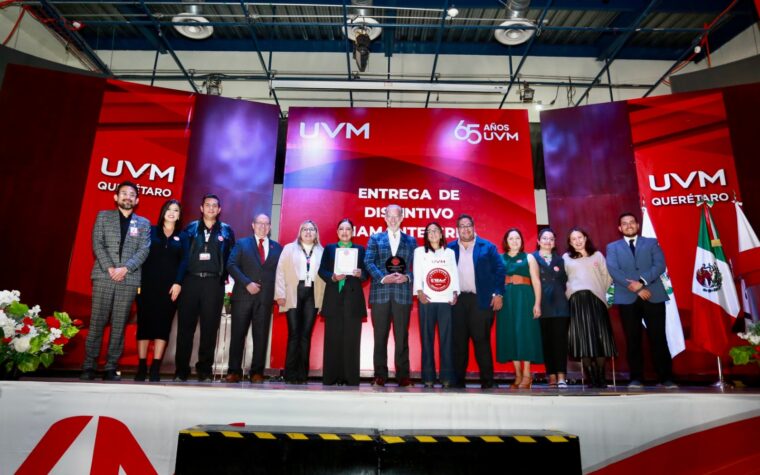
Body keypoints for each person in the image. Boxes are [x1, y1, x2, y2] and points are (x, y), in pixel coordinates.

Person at [80, 181, 150, 381]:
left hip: (128, 279)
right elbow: (97, 243)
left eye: (132, 194)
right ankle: (89, 365)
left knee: (119, 325)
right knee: (97, 322)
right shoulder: (103, 216)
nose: (128, 197)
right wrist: (110, 268)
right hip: (104, 276)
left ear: (137, 200)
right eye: (124, 193)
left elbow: (144, 250)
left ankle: (111, 367)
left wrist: (125, 268)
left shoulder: (143, 223)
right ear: (116, 197)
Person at [606, 213, 676, 389]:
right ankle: (636, 378)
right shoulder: (612, 247)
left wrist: (642, 282)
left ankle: (665, 378)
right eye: (624, 223)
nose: (628, 225)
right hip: (627, 297)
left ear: (637, 225)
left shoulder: (651, 243)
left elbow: (659, 265)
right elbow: (613, 270)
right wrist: (636, 288)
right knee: (633, 339)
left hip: (653, 295)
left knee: (658, 337)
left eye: (631, 222)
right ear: (619, 228)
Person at [174, 193, 235, 382]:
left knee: (209, 329)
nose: (211, 208)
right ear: (201, 208)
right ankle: (181, 370)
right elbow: (181, 256)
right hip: (190, 282)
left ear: (219, 209)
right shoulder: (190, 228)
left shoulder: (226, 231)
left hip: (214, 284)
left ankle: (205, 370)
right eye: (207, 205)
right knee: (185, 329)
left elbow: (231, 258)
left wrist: (227, 281)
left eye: (214, 205)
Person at [448, 214, 506, 389]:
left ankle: (488, 381)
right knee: (459, 343)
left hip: (480, 300)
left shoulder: (487, 247)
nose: (465, 229)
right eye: (462, 226)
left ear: (474, 227)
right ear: (457, 229)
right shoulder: (450, 248)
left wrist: (498, 293)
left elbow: (500, 269)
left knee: (481, 341)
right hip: (457, 301)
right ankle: (458, 382)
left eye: (468, 225)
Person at [225, 214, 282, 384]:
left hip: (265, 299)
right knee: (238, 335)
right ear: (253, 225)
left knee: (261, 336)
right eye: (259, 223)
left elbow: (281, 274)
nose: (262, 227)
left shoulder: (277, 248)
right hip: (243, 296)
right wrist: (246, 283)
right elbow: (231, 265)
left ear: (270, 227)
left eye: (266, 224)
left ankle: (257, 372)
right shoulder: (242, 244)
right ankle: (234, 371)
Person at [364, 204, 417, 387]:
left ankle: (403, 375)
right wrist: (382, 278)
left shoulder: (411, 240)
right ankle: (380, 375)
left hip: (402, 294)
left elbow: (419, 266)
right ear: (385, 218)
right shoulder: (375, 238)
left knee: (402, 337)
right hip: (381, 293)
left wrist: (408, 277)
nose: (393, 219)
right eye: (390, 216)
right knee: (380, 336)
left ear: (402, 218)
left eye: (397, 216)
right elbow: (368, 261)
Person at [134, 199, 186, 382]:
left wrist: (178, 283)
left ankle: (155, 367)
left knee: (162, 326)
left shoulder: (183, 236)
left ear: (179, 215)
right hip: (146, 285)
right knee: (144, 325)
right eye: (169, 209)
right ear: (163, 212)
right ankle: (142, 366)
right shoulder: (150, 231)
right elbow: (139, 255)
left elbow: (184, 261)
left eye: (176, 210)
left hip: (170, 288)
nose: (172, 213)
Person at [563, 227, 617, 388]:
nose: (577, 241)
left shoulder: (597, 255)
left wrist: (598, 291)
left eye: (580, 237)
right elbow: (562, 280)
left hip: (597, 301)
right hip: (576, 302)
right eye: (574, 239)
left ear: (585, 238)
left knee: (600, 340)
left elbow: (607, 277)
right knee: (584, 341)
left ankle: (601, 377)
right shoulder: (566, 258)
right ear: (570, 242)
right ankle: (591, 378)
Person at [318, 218, 367, 386]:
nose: (345, 232)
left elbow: (366, 273)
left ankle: (350, 378)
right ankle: (332, 377)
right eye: (341, 229)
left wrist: (361, 274)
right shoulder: (329, 248)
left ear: (353, 232)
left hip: (353, 300)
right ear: (337, 232)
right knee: (332, 339)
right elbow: (321, 270)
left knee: (352, 340)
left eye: (348, 229)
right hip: (334, 298)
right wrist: (332, 277)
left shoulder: (360, 249)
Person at [275, 220, 325, 384]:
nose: (308, 232)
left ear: (316, 233)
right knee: (294, 334)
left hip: (312, 294)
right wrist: (280, 294)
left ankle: (302, 375)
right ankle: (290, 374)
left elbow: (324, 277)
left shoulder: (322, 251)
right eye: (305, 229)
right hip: (293, 292)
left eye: (312, 229)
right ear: (300, 232)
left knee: (305, 335)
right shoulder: (289, 248)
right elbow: (280, 271)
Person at [413, 222, 460, 388]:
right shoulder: (419, 252)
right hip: (427, 299)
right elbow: (417, 272)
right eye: (429, 231)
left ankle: (447, 377)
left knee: (447, 340)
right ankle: (428, 377)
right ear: (426, 235)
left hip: (445, 300)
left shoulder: (450, 252)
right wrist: (419, 292)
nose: (432, 233)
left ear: (441, 234)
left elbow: (454, 273)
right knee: (427, 339)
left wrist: (455, 292)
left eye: (436, 231)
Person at [497, 228, 542, 389]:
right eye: (511, 238)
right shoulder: (499, 258)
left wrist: (537, 303)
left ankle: (527, 375)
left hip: (525, 299)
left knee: (525, 334)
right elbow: (496, 280)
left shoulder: (529, 257)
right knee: (510, 334)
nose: (514, 241)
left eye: (517, 238)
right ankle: (518, 375)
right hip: (506, 300)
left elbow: (536, 281)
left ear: (521, 241)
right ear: (506, 241)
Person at [532, 228, 570, 388]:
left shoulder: (561, 260)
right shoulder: (532, 258)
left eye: (551, 239)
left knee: (560, 341)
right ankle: (552, 375)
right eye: (545, 238)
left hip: (561, 305)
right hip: (542, 305)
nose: (548, 241)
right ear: (538, 241)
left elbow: (565, 282)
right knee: (546, 341)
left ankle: (561, 376)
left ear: (554, 243)